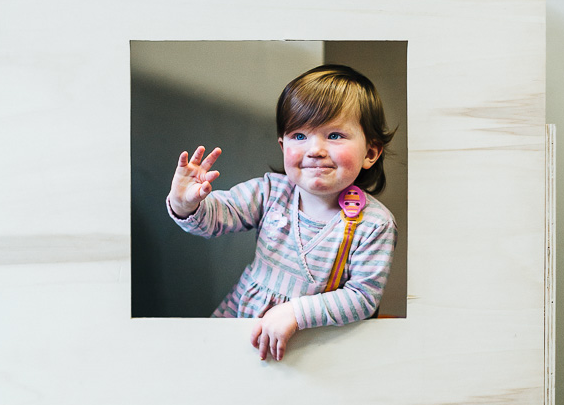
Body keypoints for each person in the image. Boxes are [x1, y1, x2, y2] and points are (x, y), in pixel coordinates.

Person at [167, 64, 397, 361]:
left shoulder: (375, 224)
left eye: (335, 135)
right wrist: (186, 203)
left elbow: (363, 298)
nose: (315, 149)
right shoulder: (270, 192)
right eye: (299, 136)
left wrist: (295, 312)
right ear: (282, 144)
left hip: (313, 345)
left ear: (370, 153)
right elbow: (214, 218)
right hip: (242, 323)